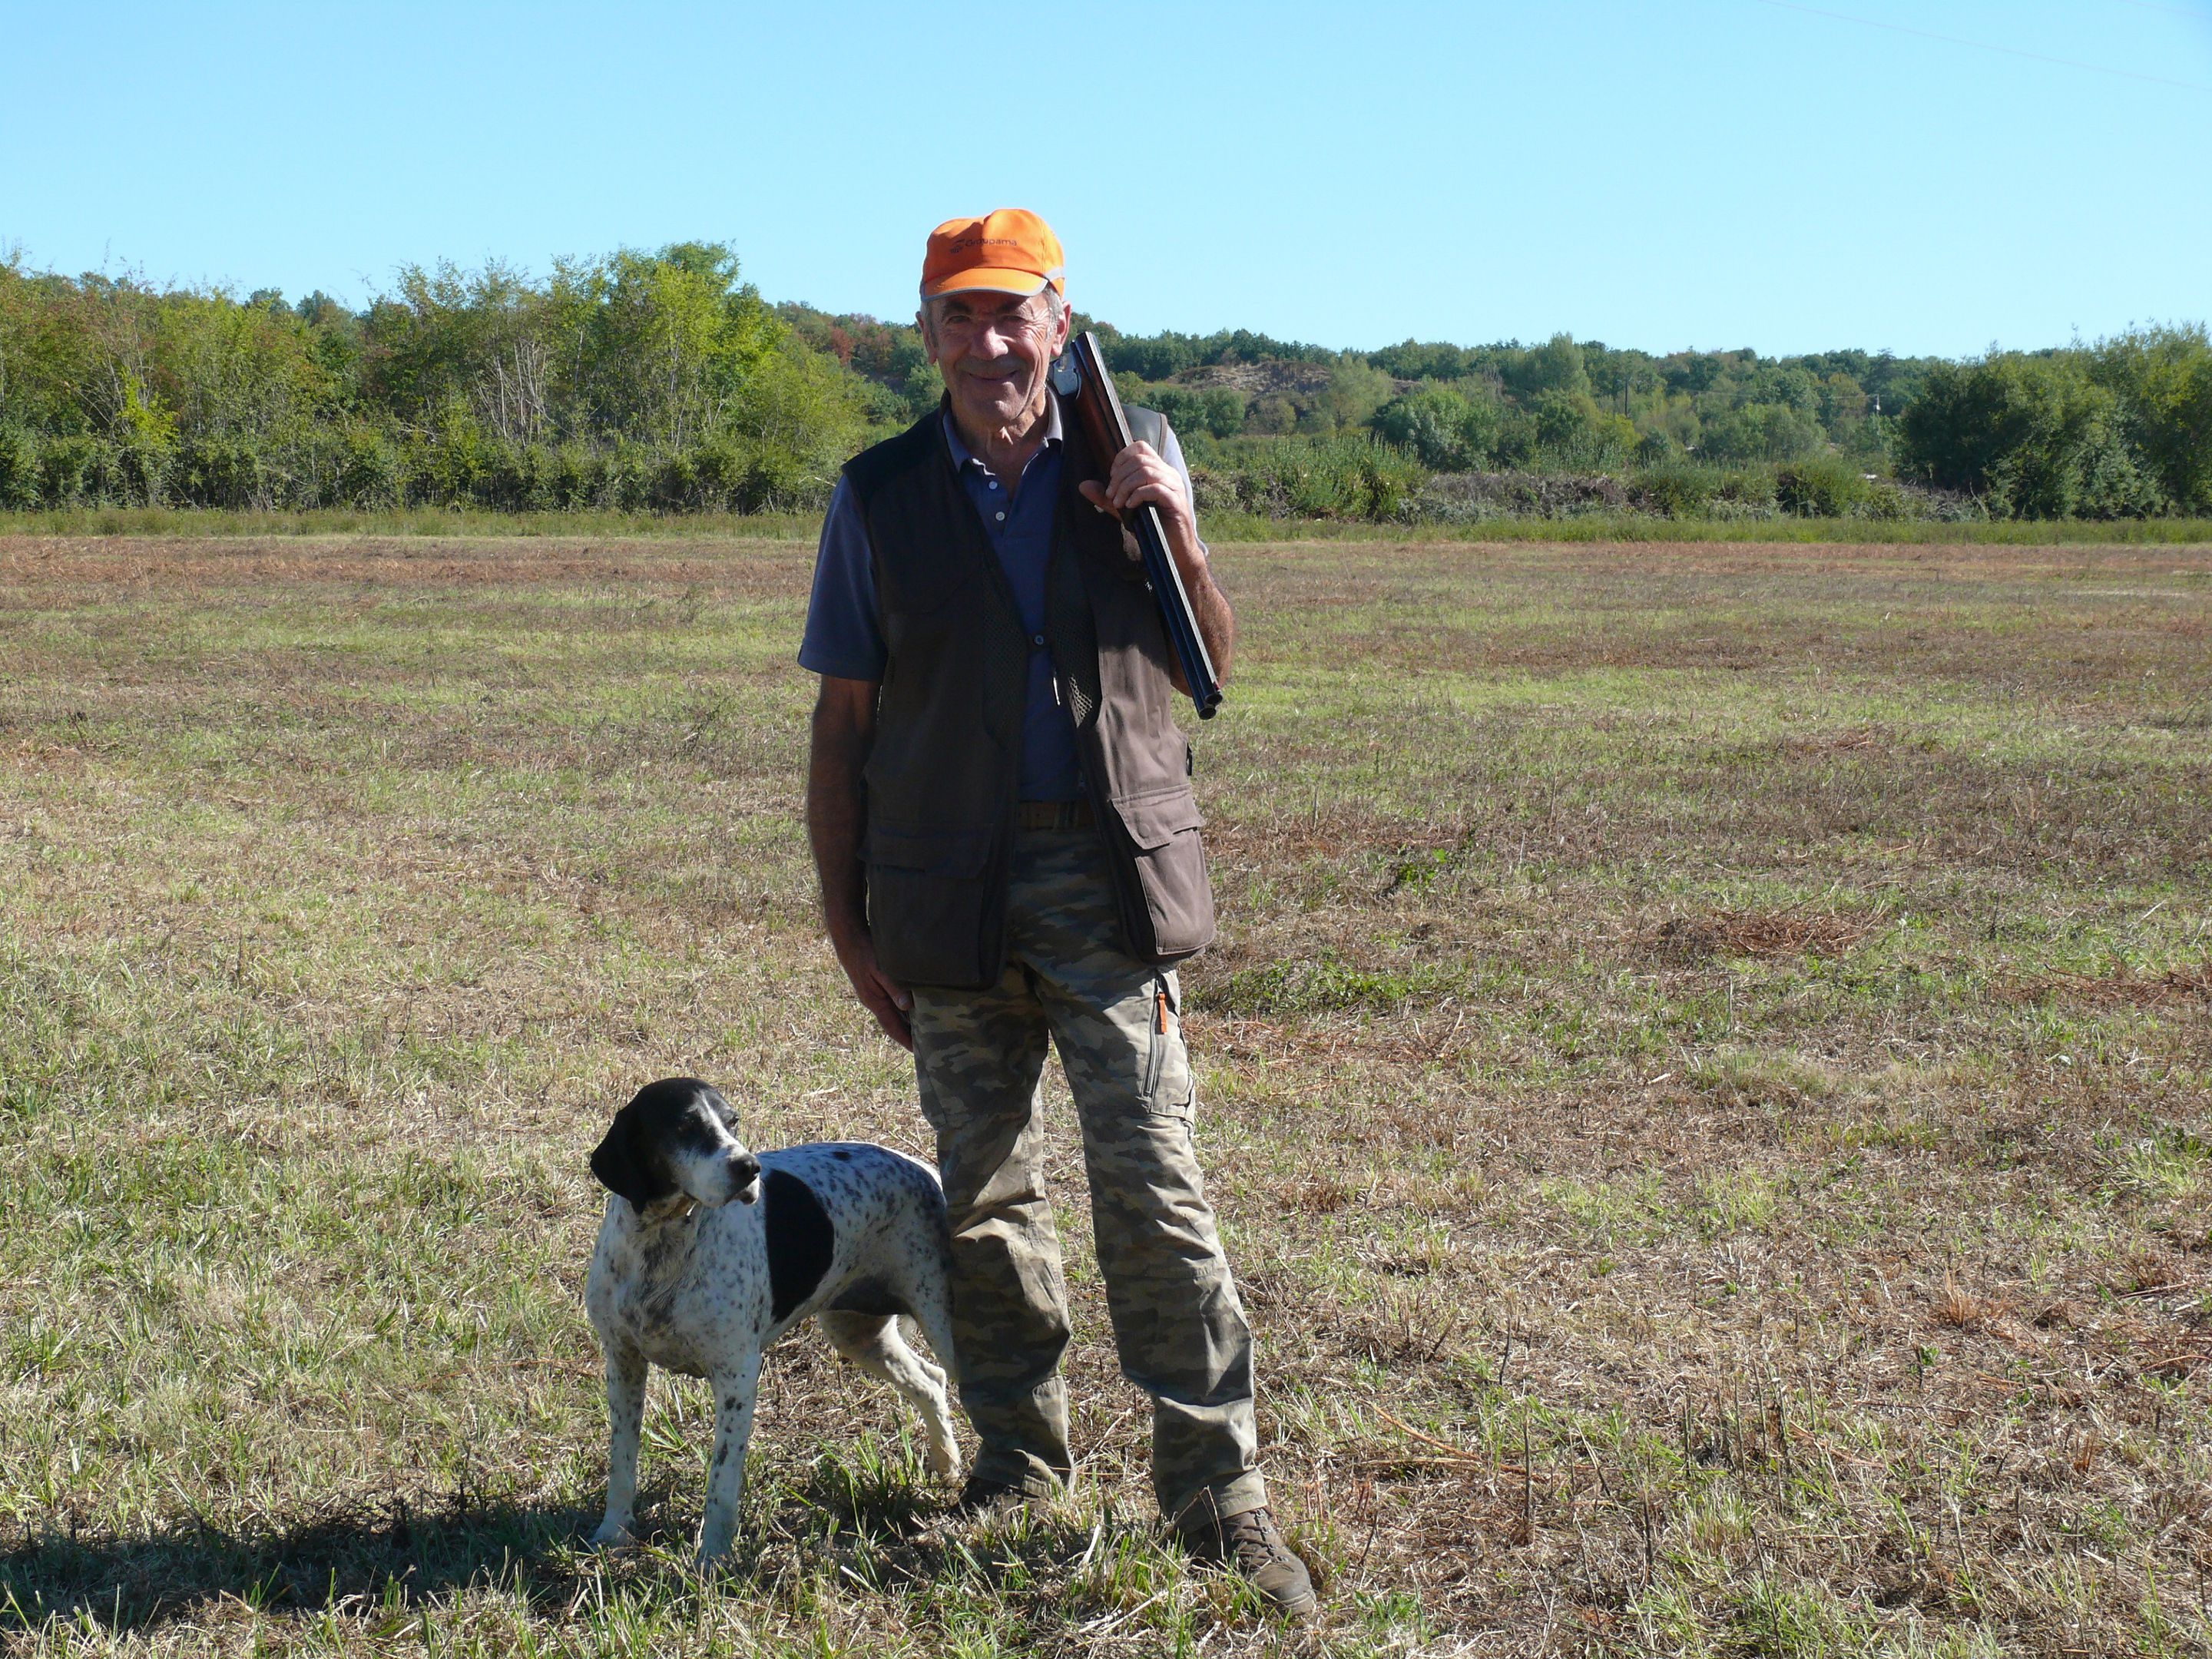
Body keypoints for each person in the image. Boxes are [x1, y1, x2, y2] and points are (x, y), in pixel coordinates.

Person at [798, 209, 1314, 1617]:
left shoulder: (1129, 455)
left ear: (1062, 323)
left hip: (1107, 882)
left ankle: (1221, 1500)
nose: (989, 342)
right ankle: (1020, 1465)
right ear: (929, 337)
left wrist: (1178, 529)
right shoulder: (880, 494)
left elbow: (1212, 662)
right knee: (981, 1199)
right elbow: (843, 729)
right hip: (945, 893)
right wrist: (848, 927)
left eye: (1013, 313)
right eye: (958, 318)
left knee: (1156, 1183)